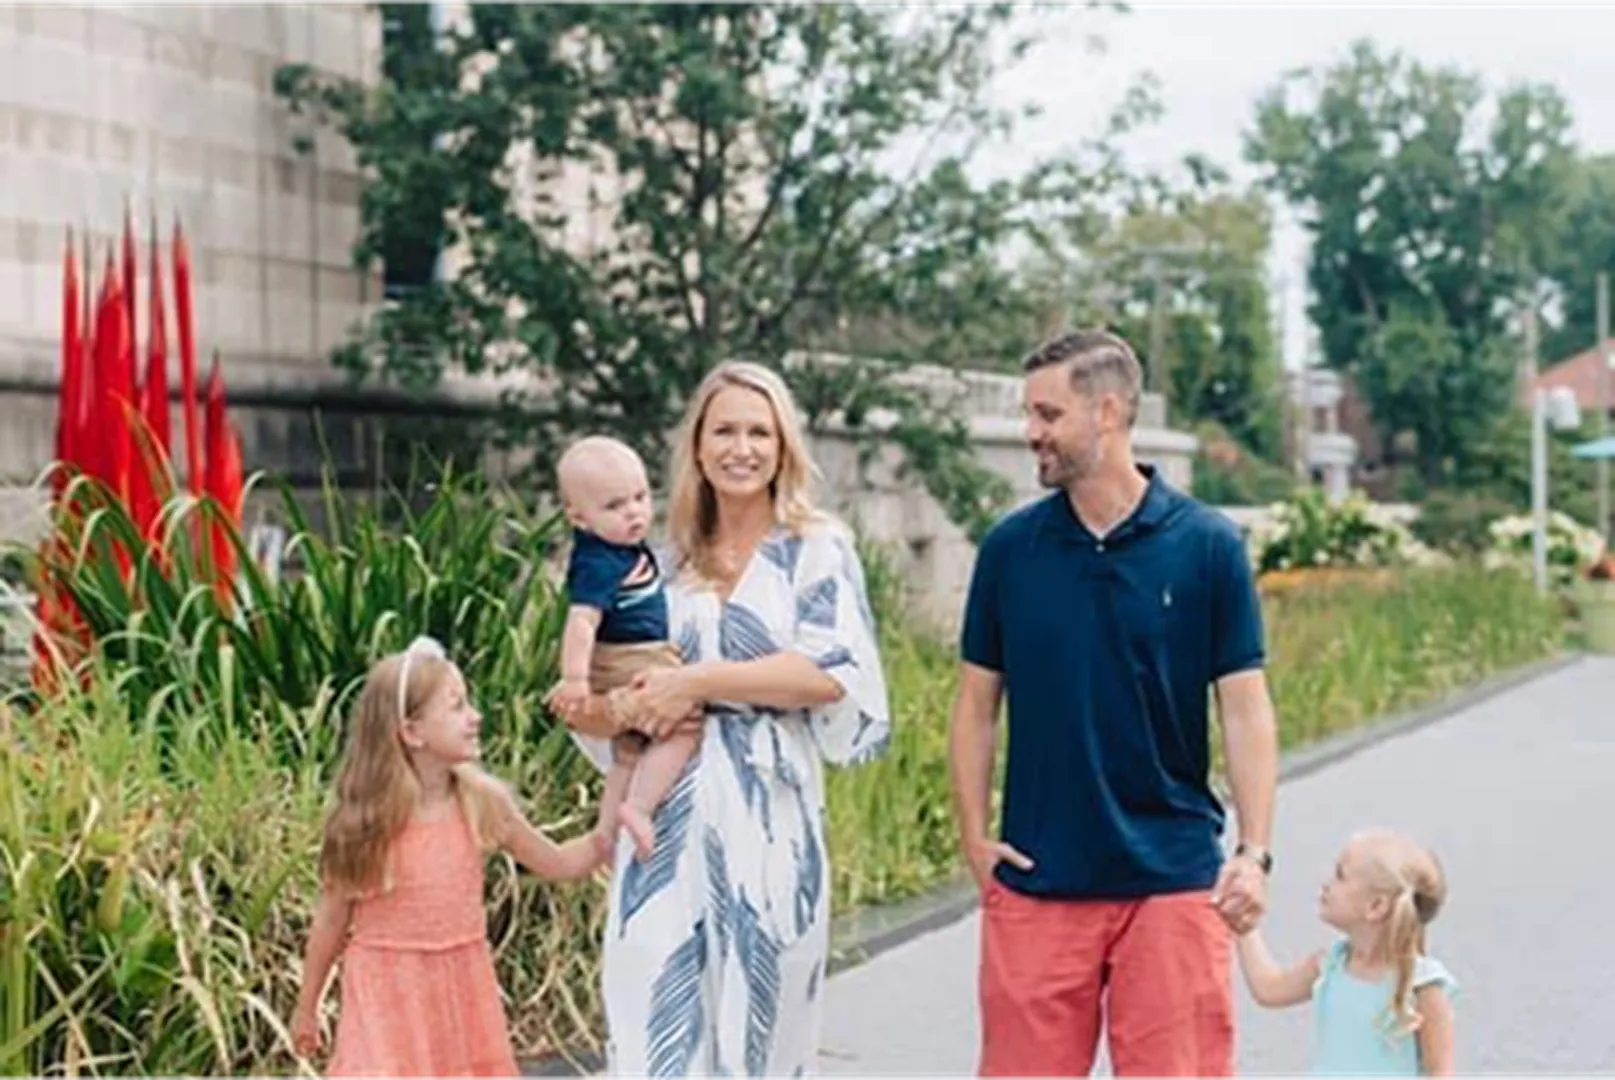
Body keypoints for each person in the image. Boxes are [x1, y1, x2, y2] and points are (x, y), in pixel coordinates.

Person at [948, 328, 1280, 1078]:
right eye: (1028, 413)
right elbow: (975, 703)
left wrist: (1253, 853)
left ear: (1105, 412)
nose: (1030, 432)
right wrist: (974, 838)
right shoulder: (1009, 549)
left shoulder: (1207, 547)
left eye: (1046, 414)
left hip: (1170, 881)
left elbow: (1245, 708)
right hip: (1037, 879)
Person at [560, 360, 891, 1078]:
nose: (741, 448)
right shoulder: (657, 558)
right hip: (663, 820)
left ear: (783, 446)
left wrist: (698, 681)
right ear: (698, 447)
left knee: (764, 1031)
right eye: (724, 431)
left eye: (758, 432)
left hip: (770, 818)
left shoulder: (814, 547)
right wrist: (603, 705)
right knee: (652, 1024)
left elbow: (831, 674)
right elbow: (608, 679)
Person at [291, 636, 604, 1079]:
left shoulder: (481, 804)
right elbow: (330, 921)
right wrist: (308, 1007)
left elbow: (559, 863)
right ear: (412, 731)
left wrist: (616, 821)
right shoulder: (364, 824)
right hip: (385, 1003)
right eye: (457, 706)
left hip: (459, 1001)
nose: (475, 717)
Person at [545, 434, 693, 861]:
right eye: (614, 506)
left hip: (639, 656)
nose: (634, 512)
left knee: (629, 754)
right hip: (628, 661)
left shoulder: (623, 547)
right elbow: (582, 621)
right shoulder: (598, 562)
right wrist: (575, 679)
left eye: (641, 497)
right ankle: (640, 808)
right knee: (684, 723)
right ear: (578, 516)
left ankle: (607, 831)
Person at [1237, 829, 1457, 1078]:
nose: (1326, 884)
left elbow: (1441, 1073)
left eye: (1340, 876)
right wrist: (1245, 930)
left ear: (1376, 906)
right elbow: (1270, 989)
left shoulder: (1422, 987)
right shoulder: (1330, 965)